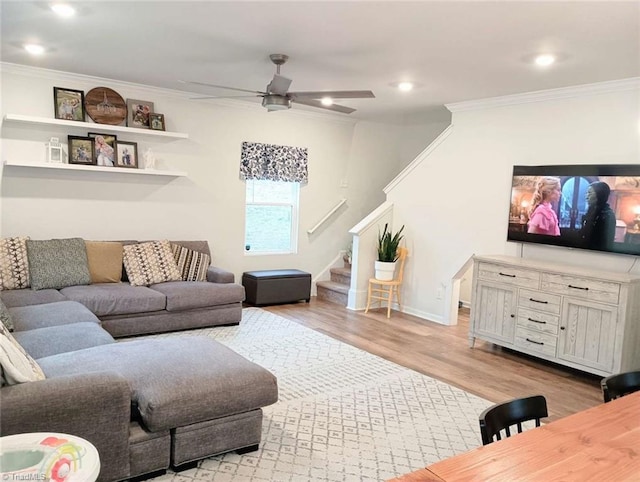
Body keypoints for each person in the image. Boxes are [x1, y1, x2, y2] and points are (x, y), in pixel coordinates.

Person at [580, 181, 616, 250]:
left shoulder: (607, 215)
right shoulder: (591, 211)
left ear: (599, 195)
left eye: (590, 193)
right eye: (586, 193)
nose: (586, 197)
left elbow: (606, 243)